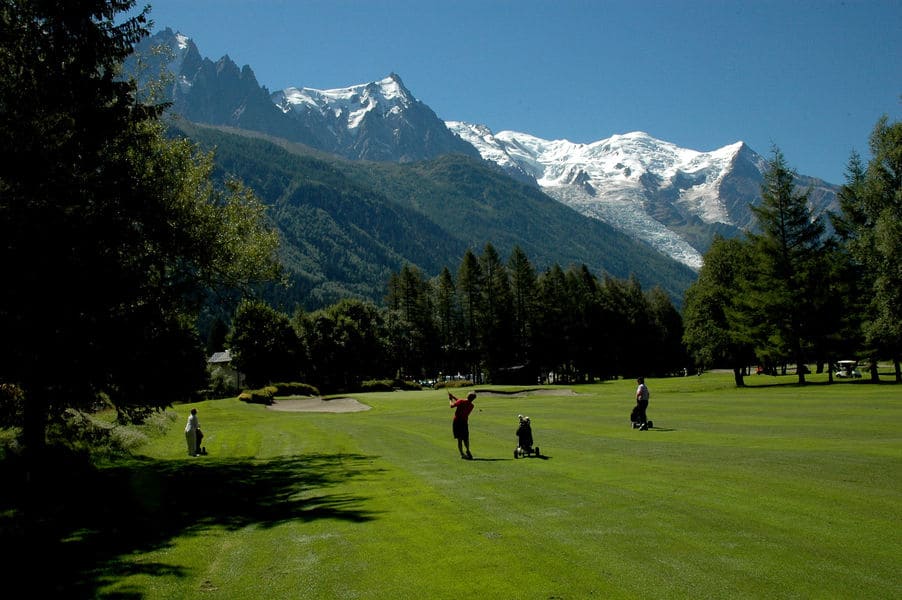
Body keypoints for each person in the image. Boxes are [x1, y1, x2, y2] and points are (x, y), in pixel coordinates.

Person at [448, 391, 476, 459]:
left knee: (459, 439)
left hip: (457, 421)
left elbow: (452, 406)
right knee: (466, 438)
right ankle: (468, 450)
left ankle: (462, 454)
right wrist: (453, 396)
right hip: (464, 422)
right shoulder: (472, 405)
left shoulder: (461, 401)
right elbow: (460, 402)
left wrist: (450, 399)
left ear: (467, 396)